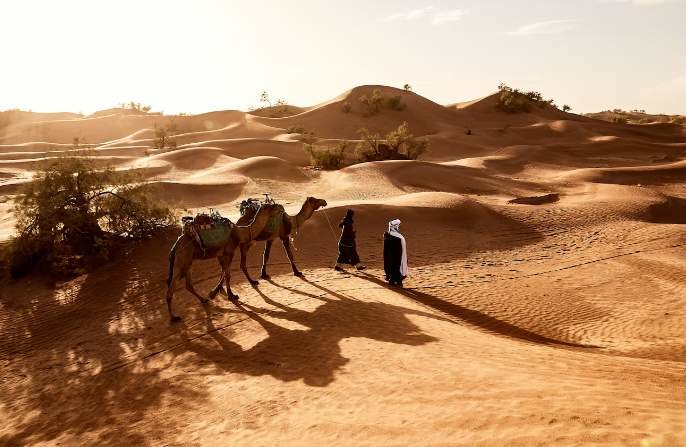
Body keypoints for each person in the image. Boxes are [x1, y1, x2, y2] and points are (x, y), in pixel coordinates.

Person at [383, 219, 408, 287]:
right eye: (397, 226)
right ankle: (397, 280)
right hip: (395, 255)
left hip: (391, 256)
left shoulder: (387, 235)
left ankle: (393, 279)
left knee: (393, 265)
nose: (398, 227)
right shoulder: (396, 236)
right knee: (396, 265)